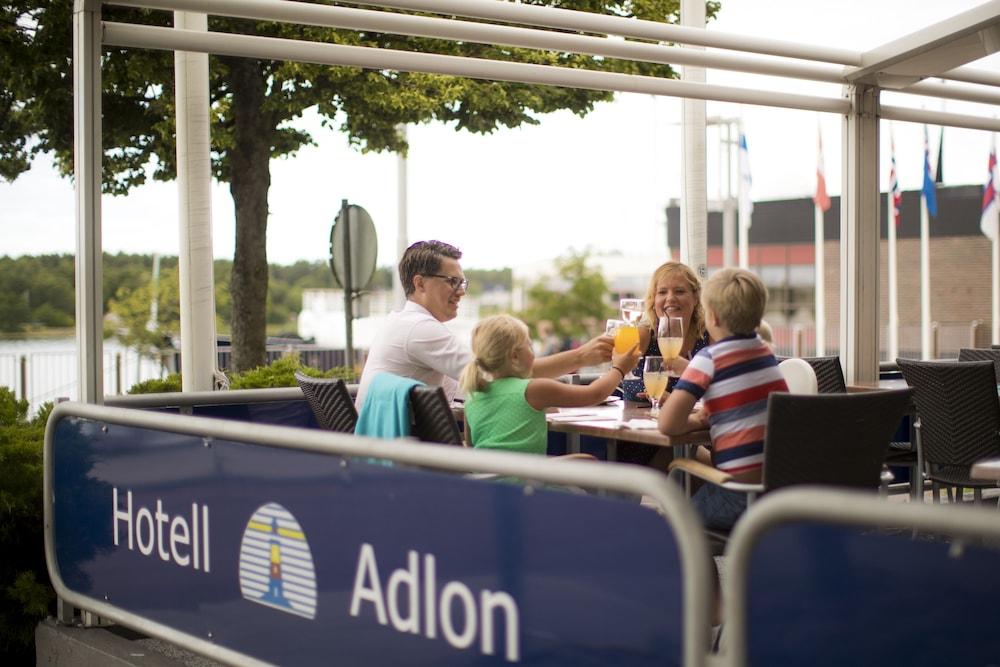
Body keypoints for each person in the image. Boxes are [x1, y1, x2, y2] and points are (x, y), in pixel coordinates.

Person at [356, 240, 614, 408]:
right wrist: (582, 356)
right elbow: (506, 372)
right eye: (452, 282)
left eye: (462, 283)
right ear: (420, 283)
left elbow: (467, 389)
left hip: (385, 456)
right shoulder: (419, 329)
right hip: (410, 465)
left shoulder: (403, 323)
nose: (460, 292)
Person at [657, 267, 787, 531]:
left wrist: (695, 421)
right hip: (777, 494)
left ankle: (700, 572)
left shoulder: (709, 358)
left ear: (712, 317)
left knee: (671, 525)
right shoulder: (765, 354)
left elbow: (668, 425)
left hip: (738, 496)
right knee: (686, 479)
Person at [460, 315, 642, 455]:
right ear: (515, 356)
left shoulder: (473, 396)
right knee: (587, 464)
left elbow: (471, 446)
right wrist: (620, 368)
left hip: (487, 488)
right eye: (529, 346)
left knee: (580, 461)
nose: (534, 353)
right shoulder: (533, 389)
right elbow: (594, 394)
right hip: (526, 489)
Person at [618, 261, 711, 468]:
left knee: (711, 462)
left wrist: (675, 402)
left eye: (679, 291)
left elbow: (719, 386)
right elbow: (628, 383)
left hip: (696, 434)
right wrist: (671, 401)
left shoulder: (707, 336)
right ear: (653, 300)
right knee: (695, 465)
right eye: (662, 292)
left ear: (695, 298)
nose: (670, 298)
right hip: (648, 439)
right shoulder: (644, 334)